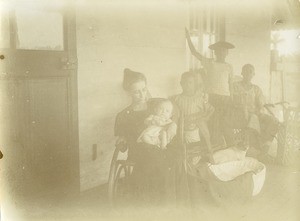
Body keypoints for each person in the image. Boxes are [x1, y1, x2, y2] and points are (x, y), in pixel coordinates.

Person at [114, 68, 179, 204]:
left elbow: (173, 110)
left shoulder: (155, 106)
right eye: (136, 92)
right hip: (140, 150)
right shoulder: (123, 115)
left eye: (144, 89)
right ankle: (154, 200)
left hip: (160, 146)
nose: (142, 94)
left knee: (167, 154)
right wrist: (121, 141)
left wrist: (174, 124)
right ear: (129, 92)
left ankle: (158, 200)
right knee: (155, 158)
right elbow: (123, 145)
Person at [185, 28, 235, 147]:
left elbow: (230, 84)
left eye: (224, 51)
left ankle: (230, 147)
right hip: (213, 97)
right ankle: (214, 147)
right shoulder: (210, 63)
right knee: (214, 123)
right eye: (219, 51)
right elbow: (194, 52)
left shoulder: (229, 67)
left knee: (226, 123)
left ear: (227, 53)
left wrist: (231, 98)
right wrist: (188, 37)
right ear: (215, 52)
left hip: (226, 98)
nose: (221, 53)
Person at [231, 64, 279, 159]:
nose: (248, 73)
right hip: (239, 114)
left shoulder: (256, 89)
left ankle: (264, 149)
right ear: (242, 73)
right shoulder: (235, 86)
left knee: (274, 121)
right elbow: (232, 101)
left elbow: (260, 105)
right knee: (253, 118)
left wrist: (259, 110)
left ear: (253, 74)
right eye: (246, 71)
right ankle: (257, 148)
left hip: (254, 114)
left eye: (250, 72)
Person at [171, 71, 215, 160]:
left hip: (198, 127)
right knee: (183, 148)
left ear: (194, 84)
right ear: (181, 84)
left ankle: (202, 159)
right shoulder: (176, 99)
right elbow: (174, 114)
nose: (187, 85)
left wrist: (205, 118)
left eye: (190, 83)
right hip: (183, 127)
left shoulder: (199, 98)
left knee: (200, 147)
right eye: (185, 83)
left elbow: (211, 109)